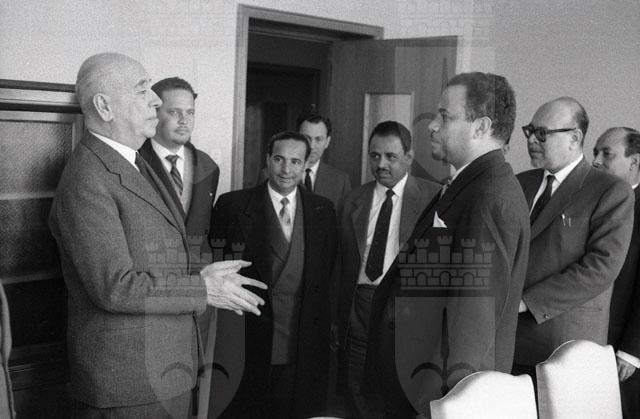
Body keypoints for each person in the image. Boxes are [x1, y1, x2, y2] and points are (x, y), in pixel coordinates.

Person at [49, 52, 266, 418]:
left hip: (164, 373)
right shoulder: (88, 179)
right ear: (104, 106)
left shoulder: (133, 162)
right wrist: (203, 289)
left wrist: (201, 275)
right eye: (142, 90)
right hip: (129, 385)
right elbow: (115, 287)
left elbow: (151, 258)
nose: (155, 100)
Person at [363, 72, 530, 417]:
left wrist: (435, 409)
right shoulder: (467, 184)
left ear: (481, 127)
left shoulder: (488, 196)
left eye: (445, 116)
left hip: (429, 396)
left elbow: (471, 325)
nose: (432, 125)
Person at [209, 131, 338, 418]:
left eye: (295, 161)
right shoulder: (232, 206)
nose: (286, 169)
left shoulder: (323, 210)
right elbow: (213, 269)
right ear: (268, 159)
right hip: (246, 341)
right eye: (279, 159)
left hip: (302, 341)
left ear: (306, 165)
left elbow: (328, 276)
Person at [513, 99, 634, 379]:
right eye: (529, 131)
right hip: (509, 340)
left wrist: (527, 301)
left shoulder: (610, 190)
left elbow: (601, 268)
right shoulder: (519, 183)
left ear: (574, 138)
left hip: (562, 345)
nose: (531, 140)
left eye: (542, 133)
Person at [337, 120, 440, 418]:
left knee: (399, 387)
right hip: (360, 305)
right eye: (374, 155)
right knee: (357, 385)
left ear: (409, 157)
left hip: (404, 309)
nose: (381, 164)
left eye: (391, 156)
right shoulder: (353, 199)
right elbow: (339, 262)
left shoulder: (433, 197)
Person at [138, 76, 220, 351]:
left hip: (197, 294)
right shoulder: (134, 161)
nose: (184, 120)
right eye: (174, 112)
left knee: (193, 367)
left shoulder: (208, 166)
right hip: (152, 291)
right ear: (155, 112)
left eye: (190, 112)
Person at [593, 127, 640, 418]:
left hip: (623, 351)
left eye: (607, 154)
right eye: (595, 152)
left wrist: (632, 351)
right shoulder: (592, 200)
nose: (596, 161)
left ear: (634, 161)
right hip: (587, 341)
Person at [297, 112, 351, 215]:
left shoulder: (341, 181)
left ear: (327, 142)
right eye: (306, 138)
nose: (312, 146)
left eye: (318, 139)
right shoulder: (270, 175)